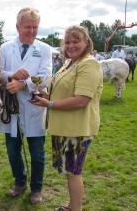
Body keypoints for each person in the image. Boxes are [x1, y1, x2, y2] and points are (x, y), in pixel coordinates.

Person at [30, 25, 103, 211]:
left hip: (76, 129)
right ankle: (72, 205)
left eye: (75, 41)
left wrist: (51, 105)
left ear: (86, 42)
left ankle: (75, 209)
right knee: (69, 172)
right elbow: (60, 94)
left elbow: (81, 100)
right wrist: (44, 97)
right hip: (64, 127)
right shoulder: (69, 64)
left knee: (73, 172)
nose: (70, 45)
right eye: (67, 42)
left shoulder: (89, 64)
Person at [0, 7, 52, 204]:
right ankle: (19, 182)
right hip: (11, 109)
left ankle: (36, 188)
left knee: (37, 154)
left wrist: (24, 84)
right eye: (27, 27)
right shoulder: (4, 48)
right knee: (13, 152)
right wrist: (11, 76)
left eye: (35, 27)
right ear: (18, 26)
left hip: (34, 107)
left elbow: (46, 77)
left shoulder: (44, 49)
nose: (31, 31)